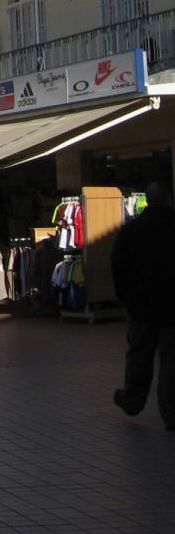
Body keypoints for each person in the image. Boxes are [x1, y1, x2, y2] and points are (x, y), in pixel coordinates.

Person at [111, 182, 175, 430]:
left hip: (141, 305)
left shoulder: (132, 230)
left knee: (139, 354)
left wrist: (123, 294)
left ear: (147, 201)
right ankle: (171, 413)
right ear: (169, 199)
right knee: (171, 360)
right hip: (172, 306)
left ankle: (133, 400)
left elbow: (117, 263)